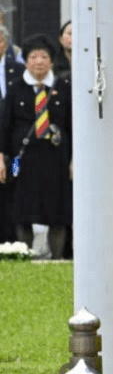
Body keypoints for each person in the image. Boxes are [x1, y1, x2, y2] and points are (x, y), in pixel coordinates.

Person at [0, 34, 71, 257]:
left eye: (44, 56)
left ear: (51, 60)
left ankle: (57, 258)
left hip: (56, 159)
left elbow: (72, 125)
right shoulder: (15, 87)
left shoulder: (64, 86)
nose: (38, 61)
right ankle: (25, 254)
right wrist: (1, 157)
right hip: (21, 161)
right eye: (33, 57)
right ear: (26, 61)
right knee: (22, 209)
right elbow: (4, 126)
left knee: (57, 211)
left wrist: (74, 160)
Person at [0, 25, 23, 242]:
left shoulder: (17, 70)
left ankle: (10, 242)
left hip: (12, 145)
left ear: (5, 44)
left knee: (11, 187)